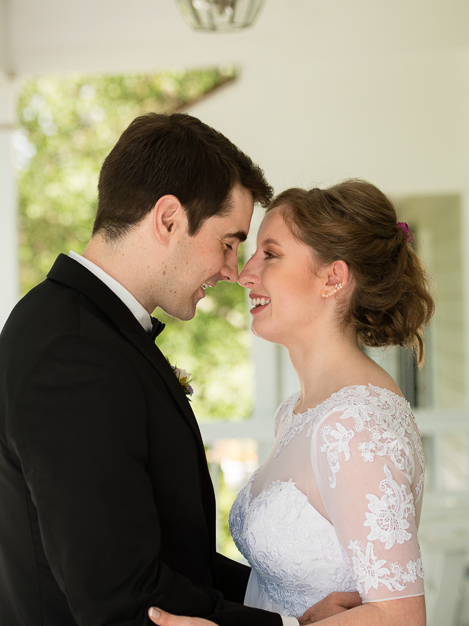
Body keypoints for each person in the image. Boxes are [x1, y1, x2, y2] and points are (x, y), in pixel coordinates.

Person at [0, 113, 352, 626]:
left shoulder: (86, 328)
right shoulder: (72, 355)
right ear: (168, 218)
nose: (234, 270)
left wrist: (291, 606)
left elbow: (168, 558)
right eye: (227, 241)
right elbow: (123, 599)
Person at [149, 180, 434, 626]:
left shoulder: (356, 425)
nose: (245, 273)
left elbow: (399, 617)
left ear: (333, 278)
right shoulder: (298, 412)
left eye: (271, 254)